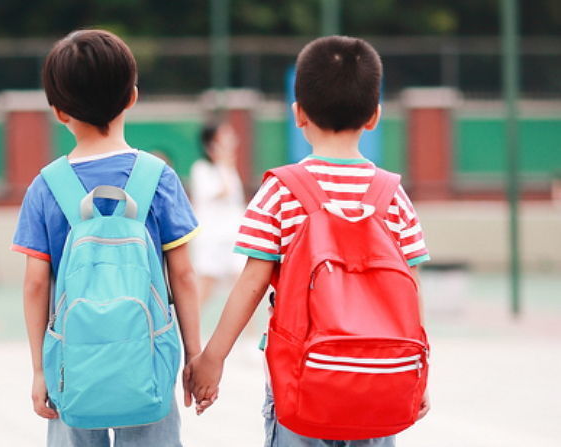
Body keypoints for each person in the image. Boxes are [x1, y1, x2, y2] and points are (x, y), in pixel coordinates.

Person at [184, 36, 431, 446]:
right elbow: (412, 290)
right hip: (380, 378)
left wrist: (212, 358)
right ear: (375, 116)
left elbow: (251, 283)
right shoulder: (394, 196)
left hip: (302, 381)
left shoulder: (281, 191)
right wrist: (419, 373)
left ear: (298, 114)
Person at [11, 29, 201, 447]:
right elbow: (184, 276)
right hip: (148, 357)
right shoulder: (159, 178)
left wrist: (41, 371)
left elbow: (36, 284)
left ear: (59, 111)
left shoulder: (46, 187)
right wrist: (194, 356)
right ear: (132, 96)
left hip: (72, 360)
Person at [190, 122, 246, 305]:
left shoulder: (229, 169)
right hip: (212, 238)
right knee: (206, 284)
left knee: (242, 283)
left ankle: (251, 332)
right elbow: (224, 191)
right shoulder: (202, 169)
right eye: (225, 138)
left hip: (233, 237)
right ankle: (188, 329)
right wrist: (223, 163)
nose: (231, 142)